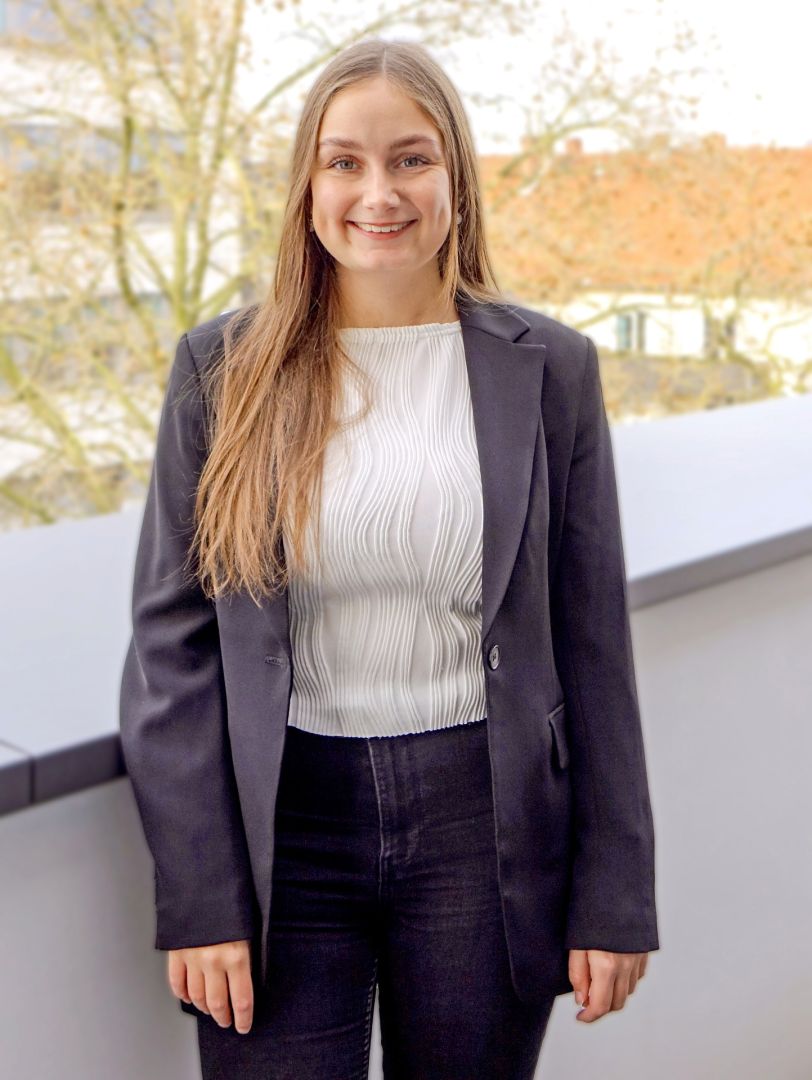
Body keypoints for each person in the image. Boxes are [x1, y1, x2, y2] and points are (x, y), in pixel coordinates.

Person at [119, 36, 659, 1080]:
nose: (379, 192)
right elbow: (169, 650)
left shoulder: (550, 369)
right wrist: (199, 897)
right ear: (307, 185)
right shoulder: (222, 369)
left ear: (455, 177)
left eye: (411, 158)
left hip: (485, 823)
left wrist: (615, 895)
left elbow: (592, 643)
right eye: (345, 162)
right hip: (284, 831)